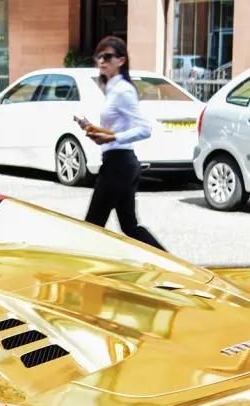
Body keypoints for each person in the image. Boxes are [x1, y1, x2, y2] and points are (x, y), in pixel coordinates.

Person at [75, 36, 166, 251]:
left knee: (92, 225)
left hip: (119, 165)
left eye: (107, 56)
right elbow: (114, 130)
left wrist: (113, 137)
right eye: (99, 56)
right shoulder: (112, 89)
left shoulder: (123, 90)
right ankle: (172, 265)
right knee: (130, 226)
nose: (101, 61)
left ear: (121, 60)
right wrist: (93, 128)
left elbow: (145, 129)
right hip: (119, 163)